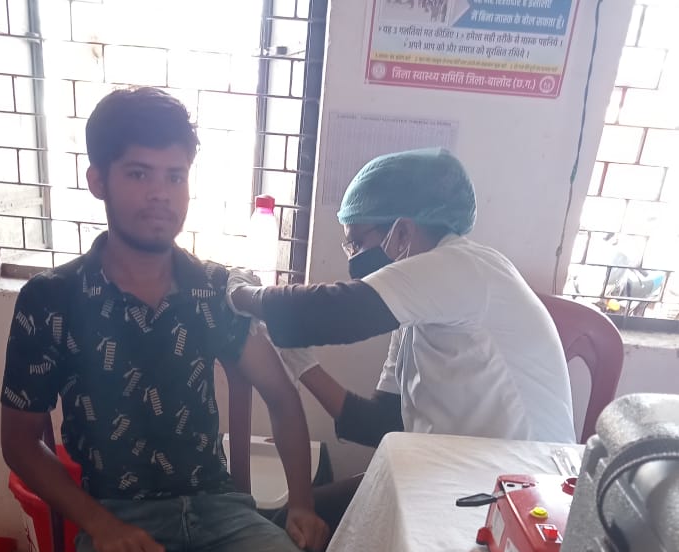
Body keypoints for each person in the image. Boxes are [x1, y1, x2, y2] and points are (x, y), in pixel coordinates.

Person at [0, 87, 340, 552]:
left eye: (174, 175)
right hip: (118, 512)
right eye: (138, 173)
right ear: (98, 180)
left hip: (215, 506)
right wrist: (100, 525)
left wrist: (302, 501)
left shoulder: (214, 291)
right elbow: (22, 442)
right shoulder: (51, 300)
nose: (160, 195)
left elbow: (282, 398)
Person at [228, 149, 577, 487]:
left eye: (357, 243)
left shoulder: (461, 267)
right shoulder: (417, 312)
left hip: (525, 484)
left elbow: (334, 311)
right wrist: (305, 367)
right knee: (308, 515)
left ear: (403, 233)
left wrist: (239, 292)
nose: (354, 258)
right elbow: (382, 423)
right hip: (464, 471)